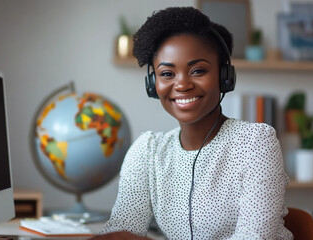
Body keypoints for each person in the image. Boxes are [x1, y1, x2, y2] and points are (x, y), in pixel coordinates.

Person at [92, 6, 293, 240]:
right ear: (152, 84)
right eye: (167, 74)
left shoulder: (255, 143)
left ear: (224, 77)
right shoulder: (148, 151)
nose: (182, 84)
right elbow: (122, 229)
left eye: (198, 70)